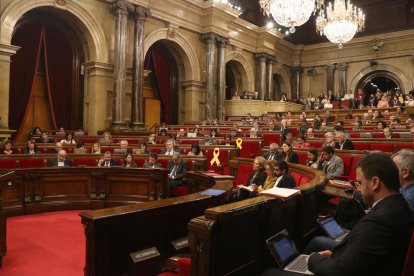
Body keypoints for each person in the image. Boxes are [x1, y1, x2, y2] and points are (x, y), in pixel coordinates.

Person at [306, 153, 414, 276]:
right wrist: (340, 256)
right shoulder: (399, 204)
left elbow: (338, 272)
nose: (358, 189)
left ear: (375, 182)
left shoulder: (378, 222)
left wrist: (314, 259)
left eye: (360, 183)